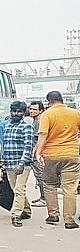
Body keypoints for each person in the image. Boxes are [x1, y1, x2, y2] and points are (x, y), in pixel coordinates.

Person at [34, 91, 80, 230]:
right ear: (62, 100)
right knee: (70, 188)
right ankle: (69, 220)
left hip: (51, 155)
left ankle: (53, 215)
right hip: (71, 154)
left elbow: (43, 135)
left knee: (49, 184)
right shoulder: (75, 113)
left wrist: (38, 153)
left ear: (49, 102)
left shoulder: (47, 114)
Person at [0, 101, 34, 227]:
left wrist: (21, 163)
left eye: (19, 111)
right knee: (15, 189)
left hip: (22, 165)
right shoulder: (7, 126)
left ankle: (16, 215)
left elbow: (28, 147)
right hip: (9, 164)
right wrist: (2, 163)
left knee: (19, 189)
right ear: (10, 112)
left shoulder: (27, 127)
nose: (16, 114)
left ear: (24, 113)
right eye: (14, 111)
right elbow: (4, 146)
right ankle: (26, 209)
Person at [28, 100, 47, 206]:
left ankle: (44, 199)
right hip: (38, 152)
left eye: (34, 109)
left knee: (40, 176)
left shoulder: (40, 122)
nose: (31, 111)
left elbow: (39, 139)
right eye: (30, 109)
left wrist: (35, 152)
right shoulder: (35, 121)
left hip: (38, 153)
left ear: (41, 110)